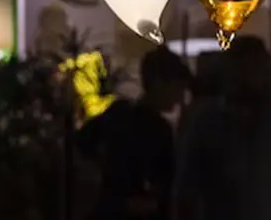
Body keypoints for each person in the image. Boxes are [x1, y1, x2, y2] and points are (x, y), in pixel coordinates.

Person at [174, 36, 271, 220]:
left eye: (257, 68)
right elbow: (186, 190)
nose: (251, 75)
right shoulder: (208, 121)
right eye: (247, 68)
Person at [77, 45, 191, 220]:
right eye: (178, 87)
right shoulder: (159, 130)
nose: (180, 96)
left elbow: (81, 145)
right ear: (159, 84)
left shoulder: (118, 113)